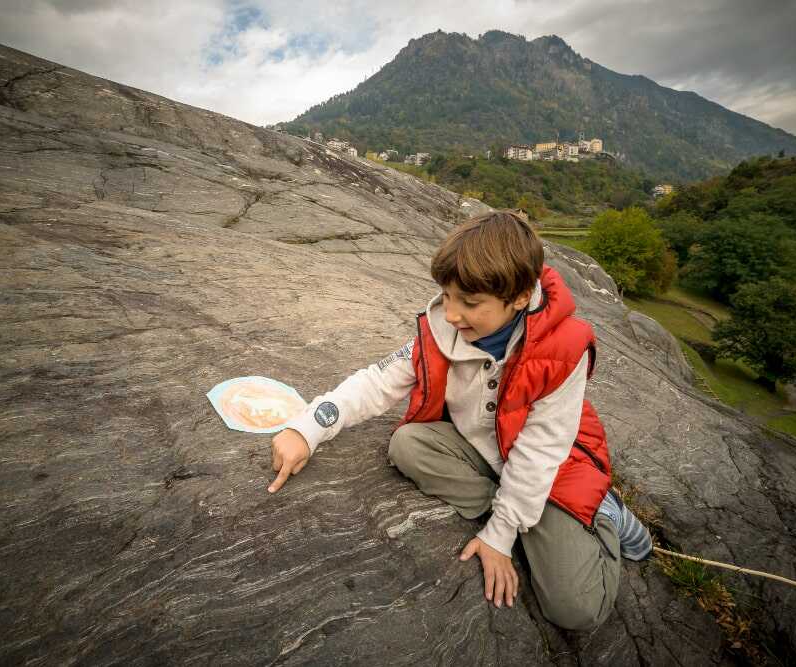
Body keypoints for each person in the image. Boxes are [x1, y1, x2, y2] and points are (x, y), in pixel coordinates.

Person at [268, 210, 651, 631]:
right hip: (485, 453)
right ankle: (522, 520)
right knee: (408, 445)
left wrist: (500, 536)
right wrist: (307, 429)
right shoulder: (443, 327)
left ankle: (604, 515)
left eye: (469, 304)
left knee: (576, 609)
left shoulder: (564, 348)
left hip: (554, 471)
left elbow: (541, 452)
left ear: (520, 296)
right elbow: (376, 382)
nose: (450, 314)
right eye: (447, 296)